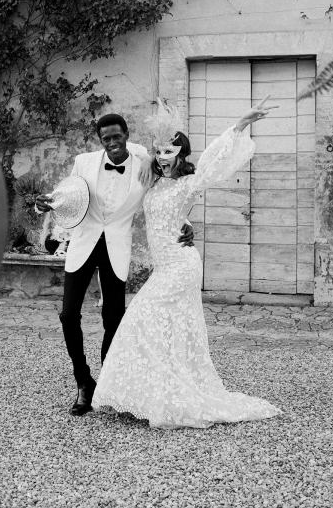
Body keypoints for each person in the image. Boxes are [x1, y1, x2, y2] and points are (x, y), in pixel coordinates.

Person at [92, 98, 282, 428]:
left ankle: (168, 397)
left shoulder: (187, 184)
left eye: (170, 151)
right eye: (159, 150)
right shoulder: (150, 180)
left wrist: (240, 124)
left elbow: (213, 161)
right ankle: (154, 394)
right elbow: (129, 156)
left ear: (180, 153)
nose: (163, 156)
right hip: (164, 266)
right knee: (167, 328)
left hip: (181, 266)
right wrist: (188, 225)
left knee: (142, 316)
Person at [35, 113, 194, 416]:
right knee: (68, 315)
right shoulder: (83, 162)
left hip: (116, 247)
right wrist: (44, 202)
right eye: (106, 139)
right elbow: (66, 196)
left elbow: (167, 194)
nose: (112, 143)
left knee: (114, 317)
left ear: (125, 134)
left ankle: (108, 381)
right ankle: (83, 381)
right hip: (83, 243)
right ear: (100, 140)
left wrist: (185, 222)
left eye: (116, 136)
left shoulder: (146, 161)